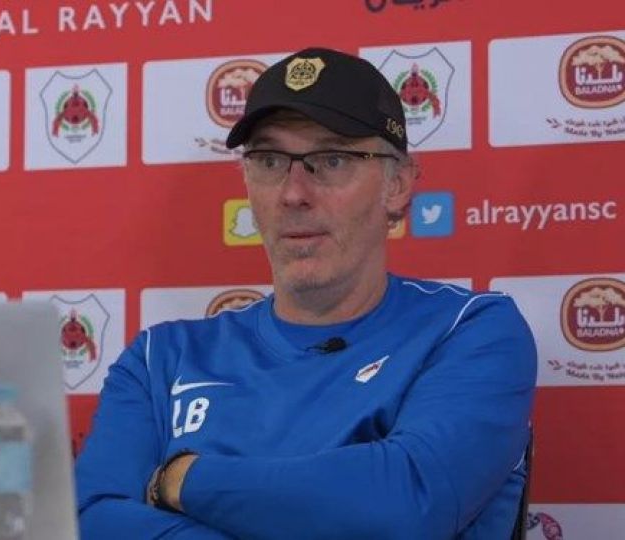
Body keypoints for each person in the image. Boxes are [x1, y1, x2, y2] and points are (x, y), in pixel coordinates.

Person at [75, 47, 536, 539]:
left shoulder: (469, 332)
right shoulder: (160, 359)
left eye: (332, 159)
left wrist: (180, 478)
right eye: (270, 160)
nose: (293, 193)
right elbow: (90, 519)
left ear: (398, 185)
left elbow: (404, 504)